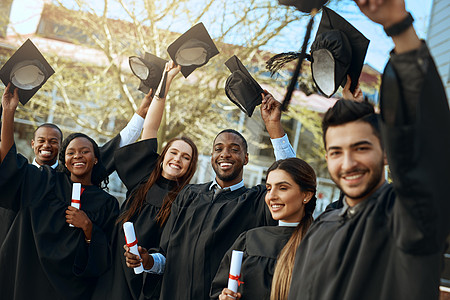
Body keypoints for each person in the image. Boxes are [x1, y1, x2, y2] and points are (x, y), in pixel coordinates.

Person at [287, 1, 450, 299]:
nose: (348, 162)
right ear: (326, 158)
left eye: (361, 147)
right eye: (336, 151)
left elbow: (426, 141)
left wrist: (397, 24)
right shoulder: (322, 228)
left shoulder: (408, 215)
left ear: (387, 152)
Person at [124, 88, 297, 300]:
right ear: (212, 156)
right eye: (219, 148)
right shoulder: (188, 195)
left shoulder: (255, 201)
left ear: (246, 158)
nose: (225, 153)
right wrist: (148, 261)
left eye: (234, 149)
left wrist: (274, 127)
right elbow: (165, 255)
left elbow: (290, 177)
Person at [0, 83, 120, 299]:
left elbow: (106, 259)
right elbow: (8, 164)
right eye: (71, 152)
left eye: (85, 152)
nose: (77, 156)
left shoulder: (107, 204)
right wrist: (9, 112)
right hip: (29, 280)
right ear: (63, 159)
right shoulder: (44, 180)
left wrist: (89, 228)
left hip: (71, 291)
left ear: (95, 159)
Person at [92, 60, 199, 300]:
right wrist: (166, 80)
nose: (177, 159)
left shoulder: (186, 199)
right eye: (173, 152)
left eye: (185, 157)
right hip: (111, 267)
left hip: (143, 279)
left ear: (190, 166)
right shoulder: (144, 175)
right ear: (162, 157)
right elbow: (151, 126)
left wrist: (148, 261)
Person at [0, 89, 150, 246]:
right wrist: (8, 111)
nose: (46, 145)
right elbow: (7, 161)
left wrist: (143, 111)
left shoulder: (71, 177)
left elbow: (114, 148)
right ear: (32, 143)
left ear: (60, 149)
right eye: (41, 140)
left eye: (53, 141)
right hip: (12, 248)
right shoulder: (30, 176)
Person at [211, 157, 317, 300]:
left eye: (283, 188)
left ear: (306, 195)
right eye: (268, 188)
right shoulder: (249, 241)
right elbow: (219, 289)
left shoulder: (319, 246)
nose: (271, 196)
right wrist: (223, 297)